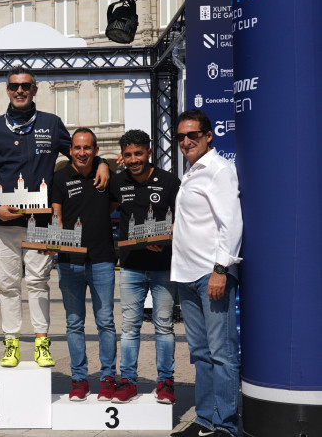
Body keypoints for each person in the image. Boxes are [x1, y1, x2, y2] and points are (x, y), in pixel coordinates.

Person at [0, 66, 109, 367]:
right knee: (9, 284)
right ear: (7, 91)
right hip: (5, 221)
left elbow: (79, 153)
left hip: (41, 222)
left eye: (26, 86)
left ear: (35, 89)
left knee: (38, 283)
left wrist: (101, 161)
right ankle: (11, 342)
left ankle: (41, 342)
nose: (20, 91)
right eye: (14, 86)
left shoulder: (51, 124)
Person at [170, 110, 242, 437]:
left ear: (209, 136)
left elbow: (232, 224)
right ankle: (204, 421)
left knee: (221, 355)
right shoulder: (191, 172)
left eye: (193, 135)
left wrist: (220, 270)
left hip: (209, 276)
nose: (186, 142)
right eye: (181, 137)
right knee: (200, 354)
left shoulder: (219, 171)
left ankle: (225, 425)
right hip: (186, 276)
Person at [108, 129, 180, 404]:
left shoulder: (169, 181)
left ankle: (166, 383)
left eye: (138, 153)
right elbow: (101, 202)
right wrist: (107, 166)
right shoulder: (118, 182)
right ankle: (127, 381)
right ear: (122, 157)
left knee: (163, 326)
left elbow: (182, 218)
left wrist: (166, 238)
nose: (134, 159)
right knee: (129, 327)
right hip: (131, 266)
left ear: (149, 152)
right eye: (128, 155)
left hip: (163, 265)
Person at [51, 128, 117, 401]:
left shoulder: (106, 176)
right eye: (77, 147)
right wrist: (52, 244)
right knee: (74, 323)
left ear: (96, 150)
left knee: (106, 322)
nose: (81, 152)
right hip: (69, 262)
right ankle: (79, 379)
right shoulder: (60, 177)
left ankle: (108, 377)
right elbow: (57, 216)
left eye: (87, 148)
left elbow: (113, 204)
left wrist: (105, 166)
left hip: (102, 259)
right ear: (71, 150)